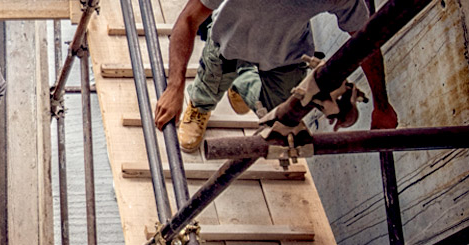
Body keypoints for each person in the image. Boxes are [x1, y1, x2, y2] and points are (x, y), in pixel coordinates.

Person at [153, 0, 373, 152]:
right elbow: (189, 18)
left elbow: (368, 38)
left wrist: (381, 105)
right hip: (230, 43)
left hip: (285, 54)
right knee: (210, 84)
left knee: (280, 117)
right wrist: (174, 87)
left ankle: (241, 81)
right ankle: (200, 106)